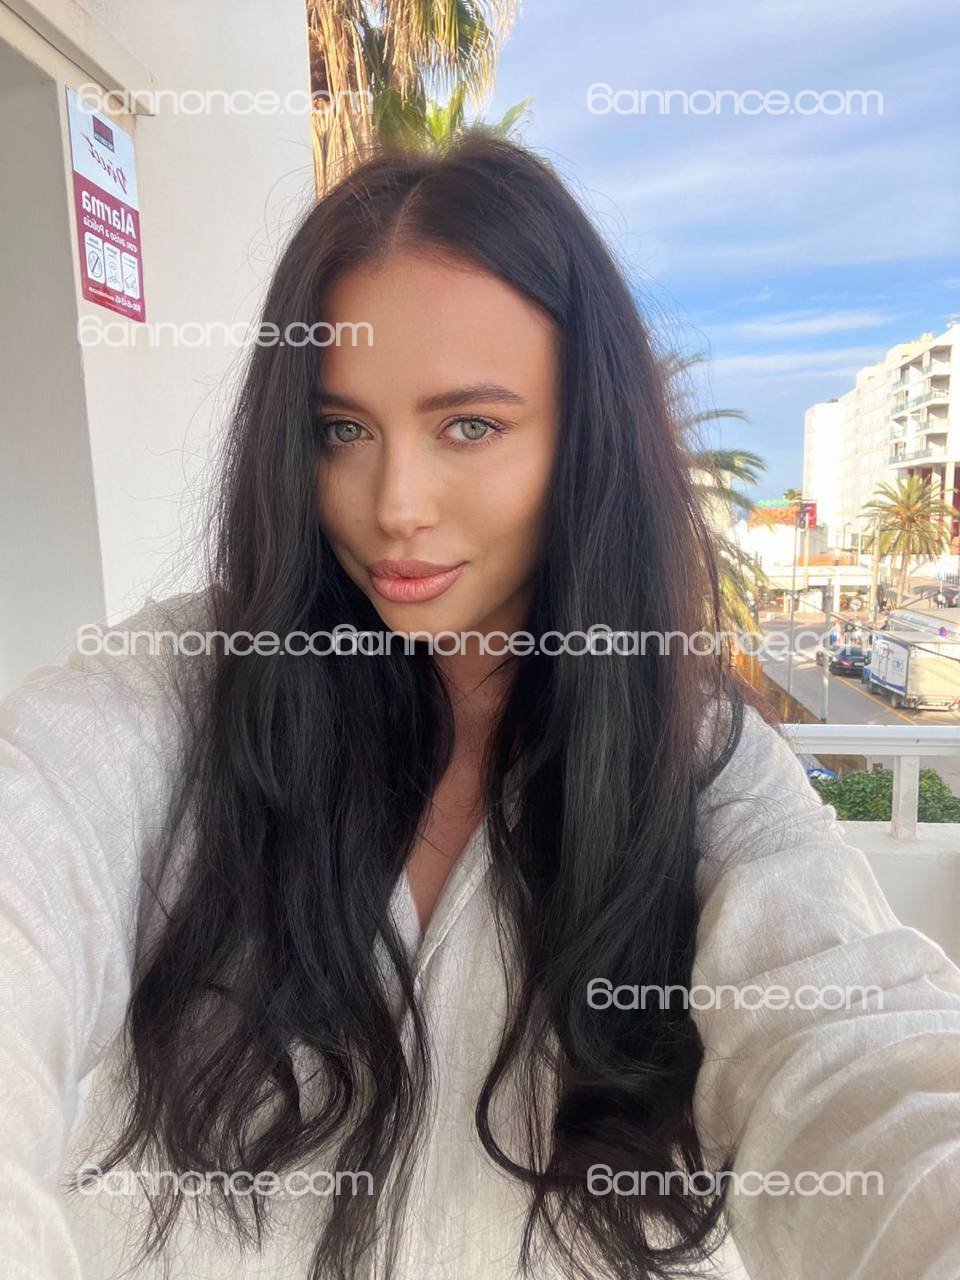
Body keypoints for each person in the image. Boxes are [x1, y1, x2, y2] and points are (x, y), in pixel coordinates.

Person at [3, 133, 960, 1280]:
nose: (395, 503)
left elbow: (855, 1050)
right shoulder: (184, 690)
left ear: (584, 439)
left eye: (470, 425)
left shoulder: (698, 763)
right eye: (342, 429)